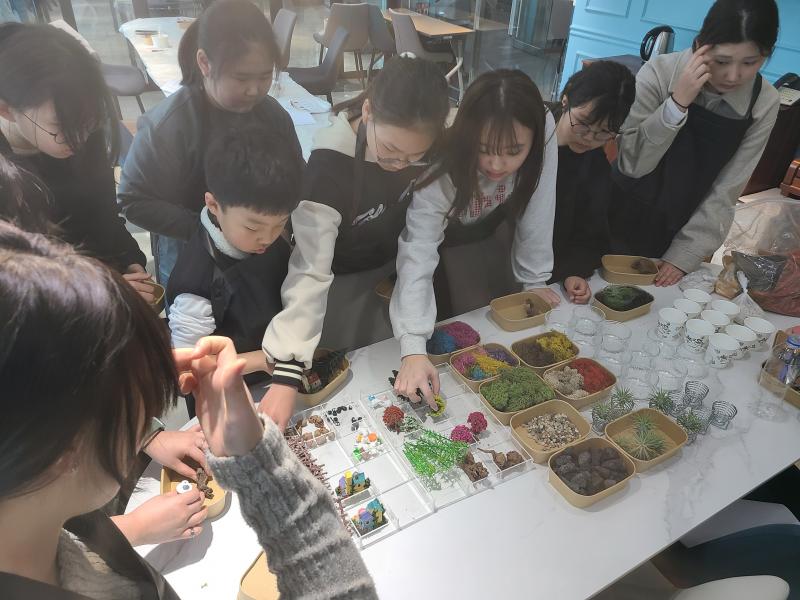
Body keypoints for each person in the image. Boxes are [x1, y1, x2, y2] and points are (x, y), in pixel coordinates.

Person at [0, 221, 377, 599]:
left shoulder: (46, 529)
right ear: (62, 446)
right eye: (137, 395)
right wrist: (263, 469)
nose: (149, 414)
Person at [259, 55, 450, 427]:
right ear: (367, 111)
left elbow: (421, 245)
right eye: (390, 150)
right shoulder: (329, 166)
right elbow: (310, 270)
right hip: (332, 286)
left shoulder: (432, 151)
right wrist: (288, 370)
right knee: (340, 379)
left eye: (415, 156)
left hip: (388, 281)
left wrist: (413, 346)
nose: (400, 165)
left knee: (378, 372)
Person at [390, 69, 558, 405]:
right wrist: (412, 348)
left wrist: (535, 279)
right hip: (446, 244)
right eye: (484, 149)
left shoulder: (543, 126)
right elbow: (418, 252)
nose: (497, 164)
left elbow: (540, 204)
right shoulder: (442, 167)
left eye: (513, 151)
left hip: (490, 234)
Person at [118, 0, 301, 287]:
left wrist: (273, 228)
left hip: (258, 247)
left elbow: (296, 178)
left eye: (265, 76)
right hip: (190, 252)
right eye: (241, 77)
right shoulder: (169, 126)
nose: (254, 90)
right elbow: (133, 200)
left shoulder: (273, 116)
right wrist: (214, 228)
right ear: (204, 63)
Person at [611, 0, 780, 286]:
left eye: (750, 63)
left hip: (681, 227)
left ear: (766, 55)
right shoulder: (660, 72)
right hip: (615, 211)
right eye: (722, 61)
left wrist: (685, 254)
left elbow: (727, 189)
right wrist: (677, 104)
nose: (733, 76)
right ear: (700, 45)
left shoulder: (764, 102)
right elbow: (632, 164)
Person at [0, 22, 153, 302]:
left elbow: (104, 216)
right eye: (60, 127)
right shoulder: (7, 177)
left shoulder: (84, 132)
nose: (80, 139)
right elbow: (16, 279)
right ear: (7, 110)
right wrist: (97, 286)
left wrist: (129, 259)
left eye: (89, 122)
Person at [167, 126, 304, 397]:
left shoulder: (266, 236)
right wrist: (261, 360)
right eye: (253, 228)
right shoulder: (196, 282)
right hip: (229, 392)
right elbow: (187, 367)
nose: (267, 238)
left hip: (280, 373)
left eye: (280, 223)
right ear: (214, 205)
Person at [549, 61, 636, 303]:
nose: (589, 139)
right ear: (566, 101)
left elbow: (589, 232)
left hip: (551, 276)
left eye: (604, 133)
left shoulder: (595, 166)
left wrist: (571, 271)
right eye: (583, 124)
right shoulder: (529, 137)